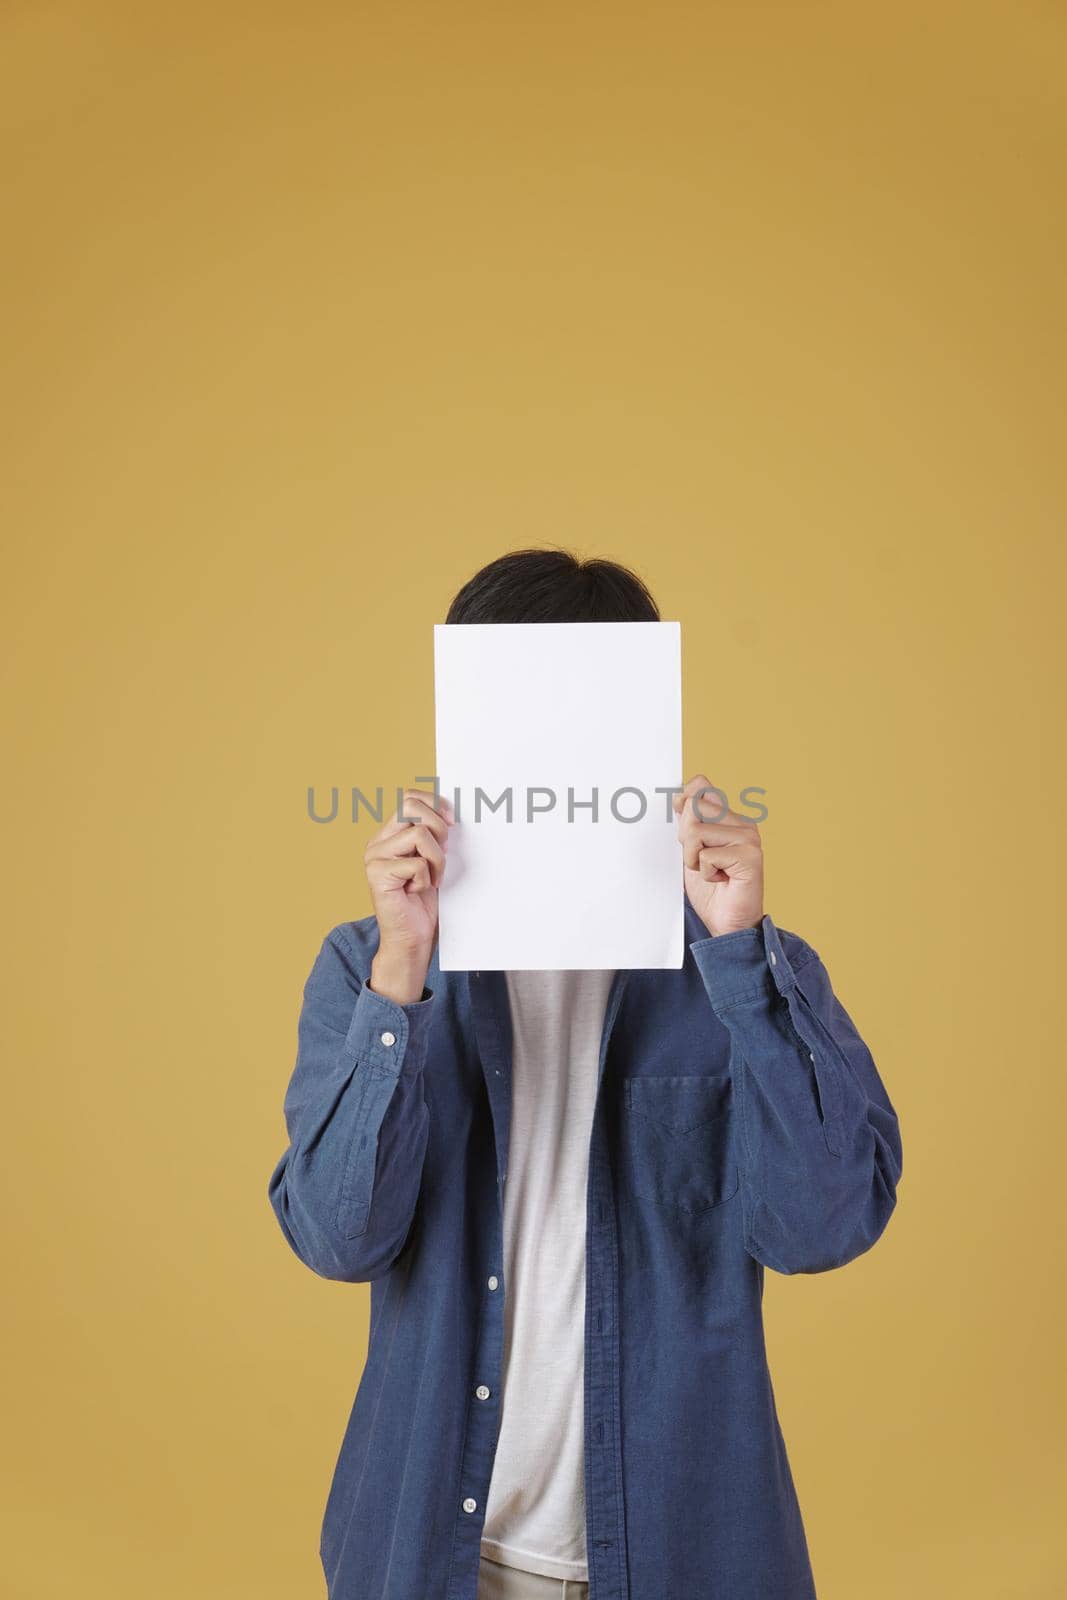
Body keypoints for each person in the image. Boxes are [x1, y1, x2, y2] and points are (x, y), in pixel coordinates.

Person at [267, 547, 904, 1600]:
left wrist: (739, 952)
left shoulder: (740, 972)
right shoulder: (371, 966)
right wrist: (400, 976)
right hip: (429, 1557)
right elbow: (339, 1238)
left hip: (681, 1557)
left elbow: (820, 1227)